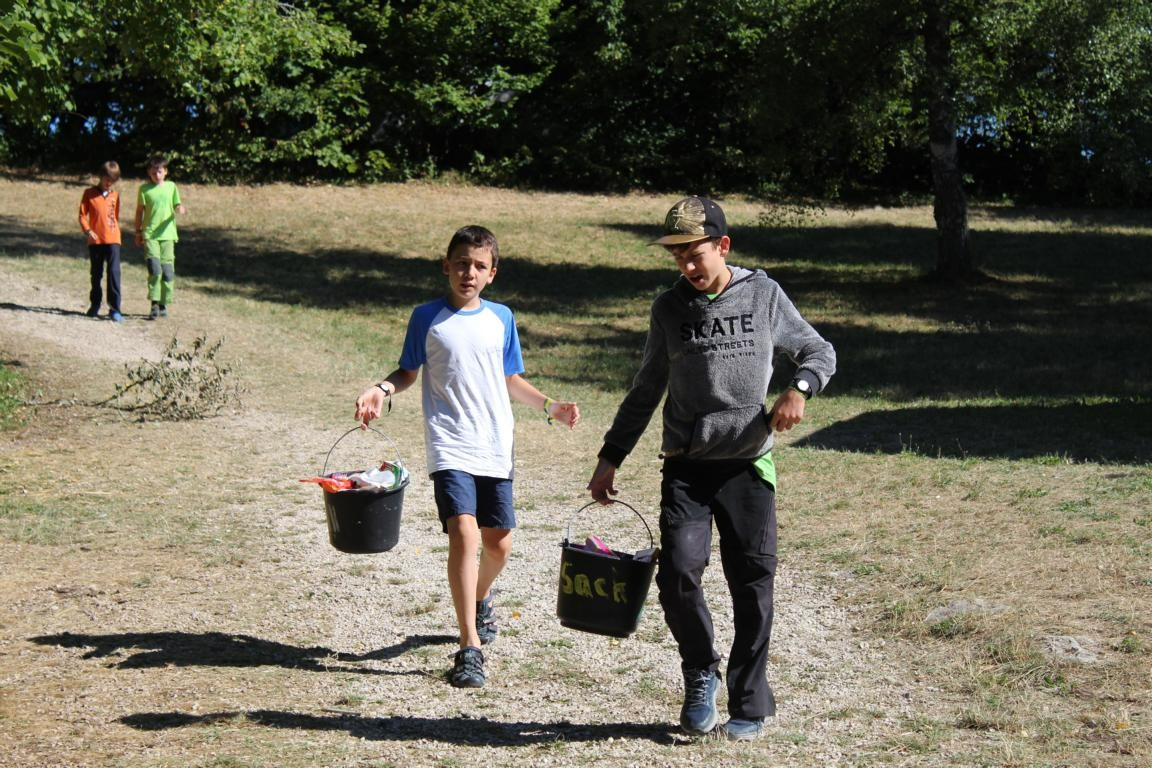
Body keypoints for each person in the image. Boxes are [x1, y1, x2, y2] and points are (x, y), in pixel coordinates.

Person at [586, 197, 836, 741]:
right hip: (687, 467)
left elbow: (819, 352)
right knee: (678, 573)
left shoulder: (763, 295)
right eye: (677, 256)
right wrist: (610, 458)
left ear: (723, 246)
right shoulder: (669, 309)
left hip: (748, 466)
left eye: (694, 254)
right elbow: (646, 389)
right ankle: (701, 669)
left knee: (752, 585)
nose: (686, 266)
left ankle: (748, 705)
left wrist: (799, 388)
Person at [355, 225, 580, 689]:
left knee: (500, 544)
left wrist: (550, 406)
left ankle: (478, 600)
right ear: (446, 266)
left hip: (495, 444)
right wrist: (381, 389)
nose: (469, 273)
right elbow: (408, 371)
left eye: (479, 266)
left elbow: (510, 378)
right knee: (464, 531)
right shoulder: (427, 317)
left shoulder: (502, 318)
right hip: (450, 442)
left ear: (492, 273)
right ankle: (469, 646)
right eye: (461, 263)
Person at [134, 154, 187, 320]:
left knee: (168, 272)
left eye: (159, 172)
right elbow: (139, 212)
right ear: (149, 173)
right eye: (153, 172)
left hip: (168, 235)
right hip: (150, 235)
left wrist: (179, 208)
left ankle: (164, 303)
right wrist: (138, 232)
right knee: (154, 269)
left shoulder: (171, 187)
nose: (156, 175)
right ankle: (154, 304)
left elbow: (177, 203)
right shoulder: (144, 189)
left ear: (165, 172)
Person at [78, 161, 124, 322]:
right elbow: (82, 215)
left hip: (113, 239)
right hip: (95, 241)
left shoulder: (115, 196)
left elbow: (115, 217)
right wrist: (88, 231)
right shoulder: (89, 193)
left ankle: (115, 309)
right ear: (101, 176)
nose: (109, 183)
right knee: (96, 274)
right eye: (107, 179)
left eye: (113, 180)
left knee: (114, 273)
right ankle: (95, 304)